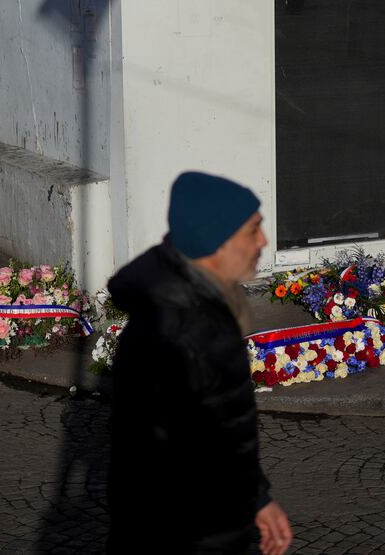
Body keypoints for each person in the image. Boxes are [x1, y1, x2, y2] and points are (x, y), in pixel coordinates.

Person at [106, 172, 294, 555]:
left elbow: (218, 429)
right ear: (215, 240)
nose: (264, 241)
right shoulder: (180, 331)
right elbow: (158, 472)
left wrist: (257, 499)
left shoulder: (207, 309)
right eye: (253, 230)